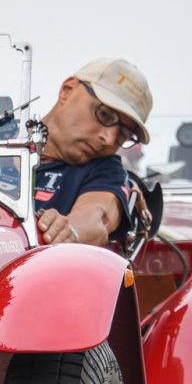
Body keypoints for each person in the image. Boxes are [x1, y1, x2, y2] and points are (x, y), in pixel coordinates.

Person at [34, 58, 153, 247]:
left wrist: (67, 230)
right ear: (67, 90)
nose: (110, 138)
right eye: (104, 114)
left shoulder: (107, 172)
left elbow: (98, 217)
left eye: (123, 135)